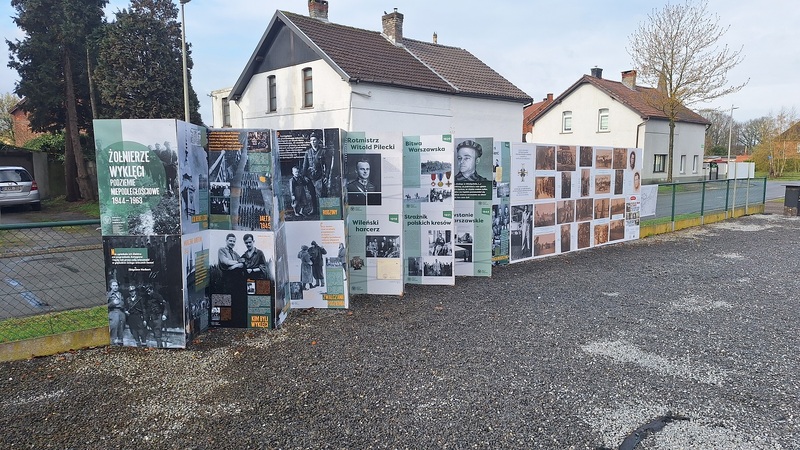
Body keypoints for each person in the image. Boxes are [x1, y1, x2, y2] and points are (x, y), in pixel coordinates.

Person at [300, 131, 331, 207]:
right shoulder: (308, 152)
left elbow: (328, 166)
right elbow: (305, 165)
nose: (313, 142)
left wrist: (326, 176)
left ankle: (324, 209)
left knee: (321, 193)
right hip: (310, 177)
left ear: (318, 141)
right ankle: (314, 210)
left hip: (320, 176)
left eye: (314, 140)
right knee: (312, 194)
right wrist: (304, 176)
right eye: (311, 140)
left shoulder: (323, 152)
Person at [107, 280, 126, 346]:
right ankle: (113, 343)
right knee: (114, 328)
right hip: (113, 312)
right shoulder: (108, 295)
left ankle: (121, 343)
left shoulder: (120, 294)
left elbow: (123, 304)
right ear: (110, 286)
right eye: (114, 285)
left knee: (121, 328)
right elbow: (105, 306)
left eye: (116, 285)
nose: (115, 287)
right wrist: (113, 303)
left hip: (121, 312)